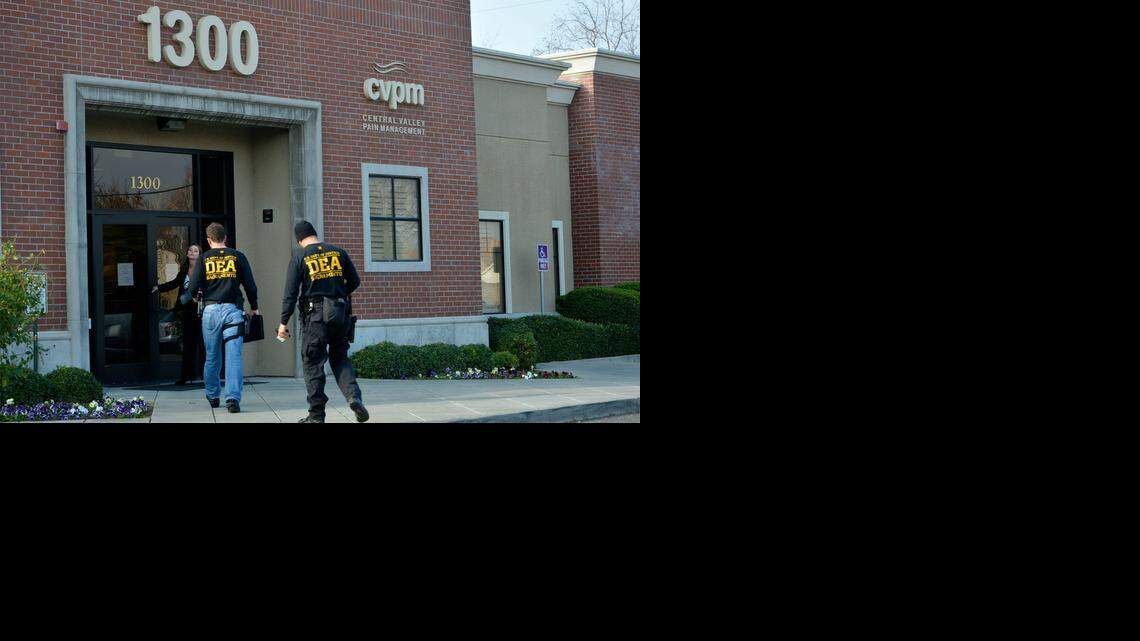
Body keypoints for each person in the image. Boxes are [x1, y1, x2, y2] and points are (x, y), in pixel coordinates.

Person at [279, 221, 369, 424]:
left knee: (313, 364)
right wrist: (337, 294)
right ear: (314, 234)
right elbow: (354, 281)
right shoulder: (339, 252)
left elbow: (290, 294)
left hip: (315, 318)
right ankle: (354, 397)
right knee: (340, 359)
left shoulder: (300, 257)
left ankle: (316, 416)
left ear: (299, 239)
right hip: (339, 313)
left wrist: (283, 322)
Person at [181, 223, 259, 414]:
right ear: (226, 238)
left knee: (212, 356)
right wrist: (255, 308)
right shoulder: (238, 256)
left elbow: (193, 286)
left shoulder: (204, 258)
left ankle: (213, 395)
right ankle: (232, 399)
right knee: (233, 357)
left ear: (209, 240)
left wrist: (190, 297)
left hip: (211, 312)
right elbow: (250, 285)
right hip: (233, 311)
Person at [153, 244, 205, 385]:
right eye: (190, 250)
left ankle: (204, 375)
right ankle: (186, 376)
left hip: (202, 310)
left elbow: (209, 285)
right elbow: (176, 283)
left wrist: (199, 296)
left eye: (195, 251)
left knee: (202, 343)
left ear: (200, 254)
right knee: (188, 343)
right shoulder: (184, 269)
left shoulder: (204, 268)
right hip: (187, 309)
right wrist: (159, 287)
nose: (192, 252)